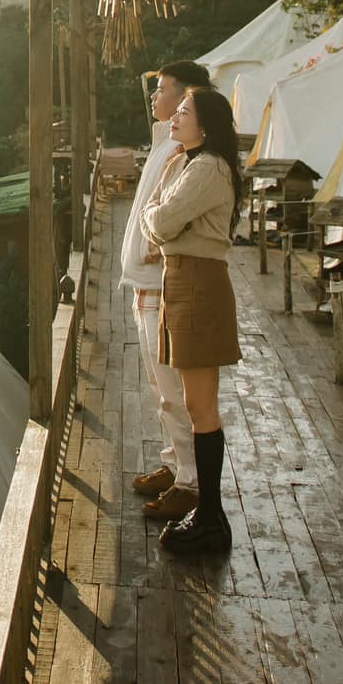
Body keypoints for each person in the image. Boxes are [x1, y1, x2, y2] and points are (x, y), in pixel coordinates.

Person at [141, 85, 244, 554]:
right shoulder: (184, 163)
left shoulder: (209, 168)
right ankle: (209, 512)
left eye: (184, 111)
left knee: (201, 406)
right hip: (181, 279)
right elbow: (158, 215)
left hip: (197, 282)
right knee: (191, 401)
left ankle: (211, 516)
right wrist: (159, 212)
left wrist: (157, 215)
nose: (174, 117)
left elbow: (160, 223)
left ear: (207, 123)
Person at [120, 60, 210, 522]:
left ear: (186, 97)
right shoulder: (163, 143)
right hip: (144, 287)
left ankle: (191, 482)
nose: (154, 98)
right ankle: (175, 464)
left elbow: (170, 217)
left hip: (161, 288)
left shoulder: (189, 154)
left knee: (175, 391)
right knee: (161, 390)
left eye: (162, 90)